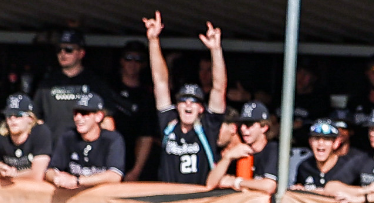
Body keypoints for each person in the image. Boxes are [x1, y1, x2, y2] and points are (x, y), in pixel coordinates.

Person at [144, 13, 227, 185]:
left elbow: (219, 88)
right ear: (177, 106)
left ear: (201, 108)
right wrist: (153, 40)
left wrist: (216, 50)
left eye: (194, 101)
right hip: (168, 199)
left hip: (198, 201)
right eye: (183, 101)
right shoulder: (169, 123)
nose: (188, 104)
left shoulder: (208, 126)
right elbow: (160, 82)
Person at [36, 29, 122, 140]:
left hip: (83, 148)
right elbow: (35, 118)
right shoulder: (47, 83)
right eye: (59, 49)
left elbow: (107, 119)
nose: (63, 53)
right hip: (54, 148)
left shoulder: (95, 83)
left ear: (81, 53)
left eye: (69, 50)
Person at [47, 92, 126, 188]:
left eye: (84, 113)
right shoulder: (68, 137)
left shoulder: (112, 139)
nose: (78, 118)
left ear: (98, 116)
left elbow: (115, 176)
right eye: (76, 113)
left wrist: (78, 180)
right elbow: (50, 171)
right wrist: (58, 178)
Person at [208, 101, 280, 193]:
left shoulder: (272, 149)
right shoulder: (240, 151)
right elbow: (211, 184)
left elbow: (269, 186)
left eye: (249, 125)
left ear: (264, 127)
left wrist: (236, 182)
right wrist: (228, 157)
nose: (243, 128)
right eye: (241, 124)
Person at [114, 40, 159, 179]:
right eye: (128, 58)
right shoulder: (109, 88)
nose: (133, 63)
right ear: (121, 61)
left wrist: (135, 171)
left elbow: (147, 136)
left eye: (138, 59)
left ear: (144, 64)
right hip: (110, 157)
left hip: (134, 159)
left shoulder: (147, 95)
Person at [289, 118, 371, 193]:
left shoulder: (349, 166)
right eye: (316, 138)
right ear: (310, 142)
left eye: (326, 139)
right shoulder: (304, 167)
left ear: (336, 143)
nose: (320, 143)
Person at [0, 94, 51, 180]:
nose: (12, 119)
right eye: (9, 115)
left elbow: (38, 174)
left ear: (30, 118)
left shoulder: (40, 132)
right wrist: (1, 171)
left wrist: (15, 175)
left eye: (18, 115)